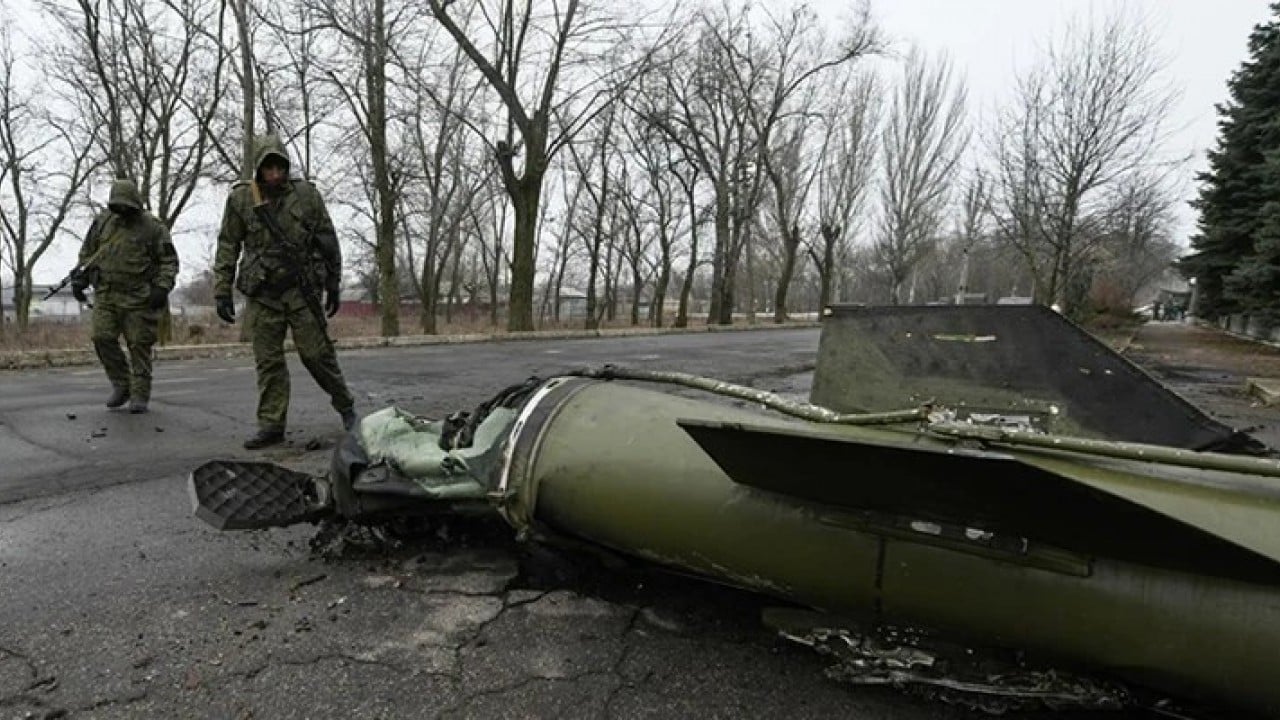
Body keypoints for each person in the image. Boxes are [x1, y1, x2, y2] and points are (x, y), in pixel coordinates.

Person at [213, 134, 356, 449]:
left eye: (280, 168)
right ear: (259, 169)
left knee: (317, 355)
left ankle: (346, 406)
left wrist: (333, 282)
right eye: (269, 168)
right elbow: (228, 243)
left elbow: (327, 239)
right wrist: (221, 288)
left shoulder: (305, 195)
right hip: (263, 291)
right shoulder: (241, 199)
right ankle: (271, 425)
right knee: (268, 361)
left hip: (300, 289)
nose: (275, 175)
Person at [72, 178, 179, 414]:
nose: (122, 210)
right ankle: (122, 384)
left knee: (139, 345)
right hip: (107, 294)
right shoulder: (103, 223)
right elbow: (88, 253)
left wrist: (162, 287)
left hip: (139, 295)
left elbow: (169, 261)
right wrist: (81, 278)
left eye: (126, 205)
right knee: (102, 337)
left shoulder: (153, 227)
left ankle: (140, 392)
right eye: (117, 205)